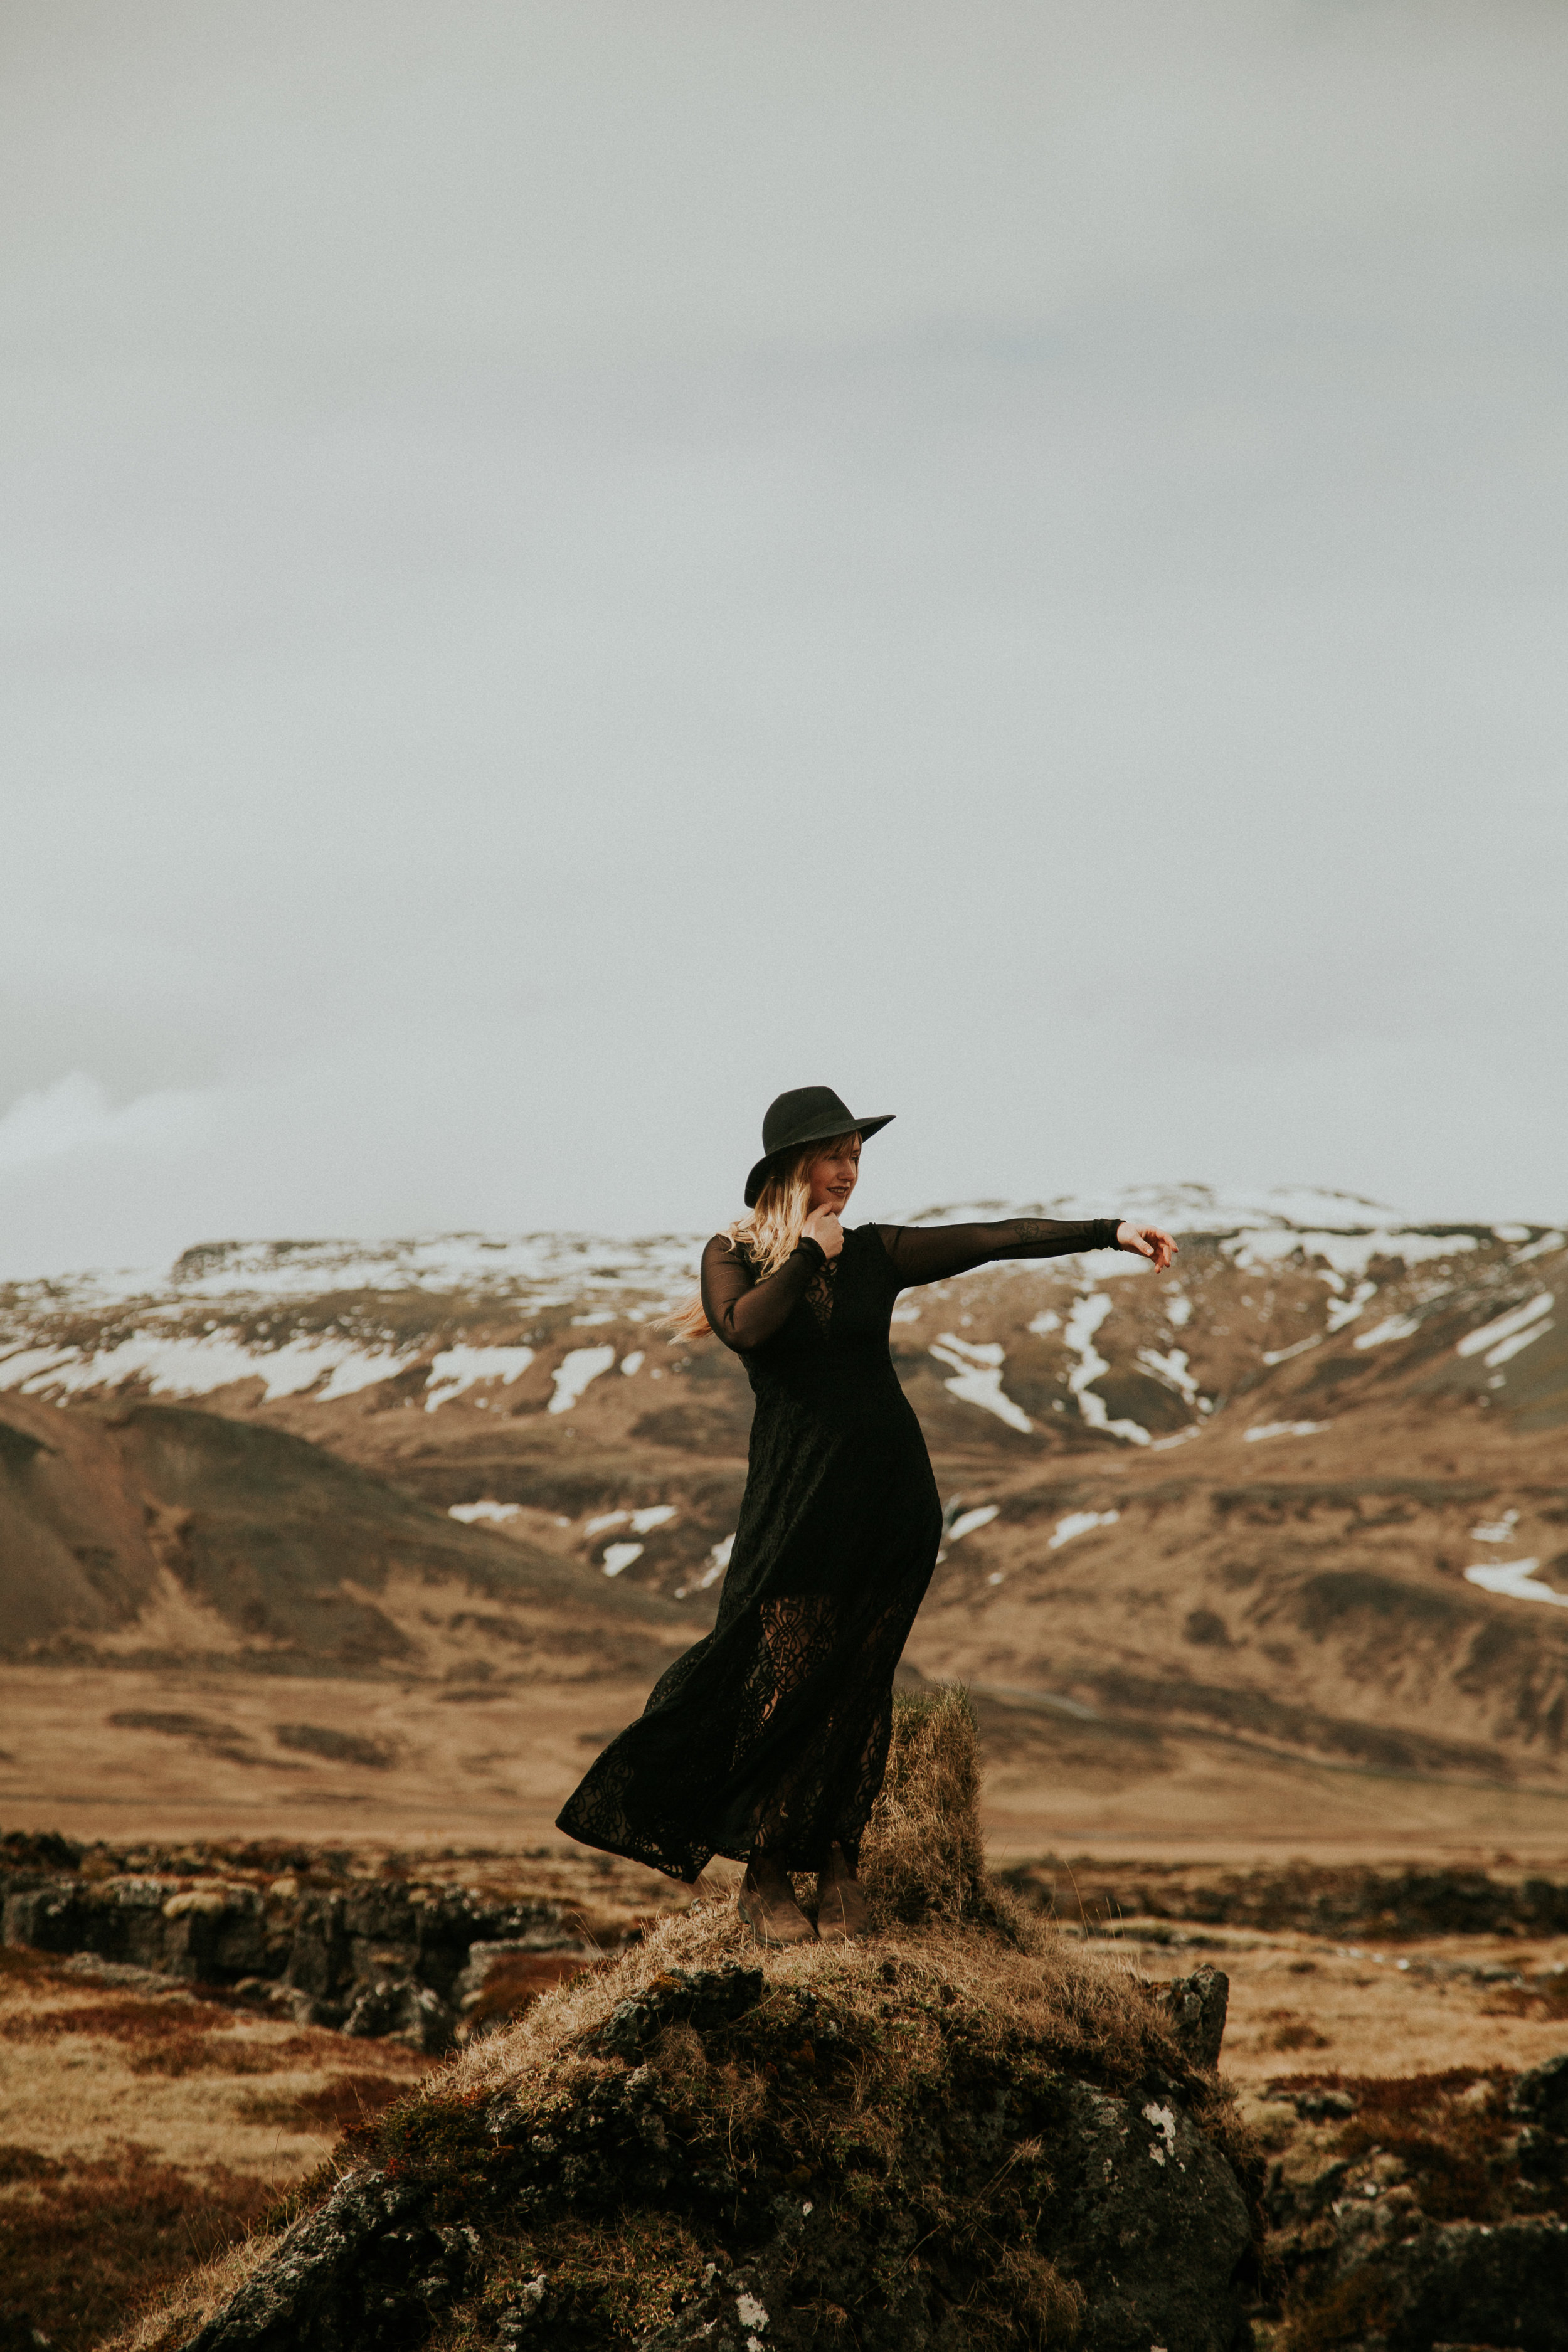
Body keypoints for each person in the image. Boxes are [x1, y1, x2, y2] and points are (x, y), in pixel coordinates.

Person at [556, 1085, 1175, 1946]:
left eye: (856, 1155)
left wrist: (1108, 1231)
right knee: (775, 1674)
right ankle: (768, 1864)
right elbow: (747, 1328)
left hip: (891, 1498)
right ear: (789, 1166)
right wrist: (811, 1252)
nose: (849, 1171)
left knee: (859, 1678)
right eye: (833, 1155)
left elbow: (993, 1242)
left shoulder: (878, 1251)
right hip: (795, 1500)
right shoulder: (731, 1253)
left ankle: (840, 1857)